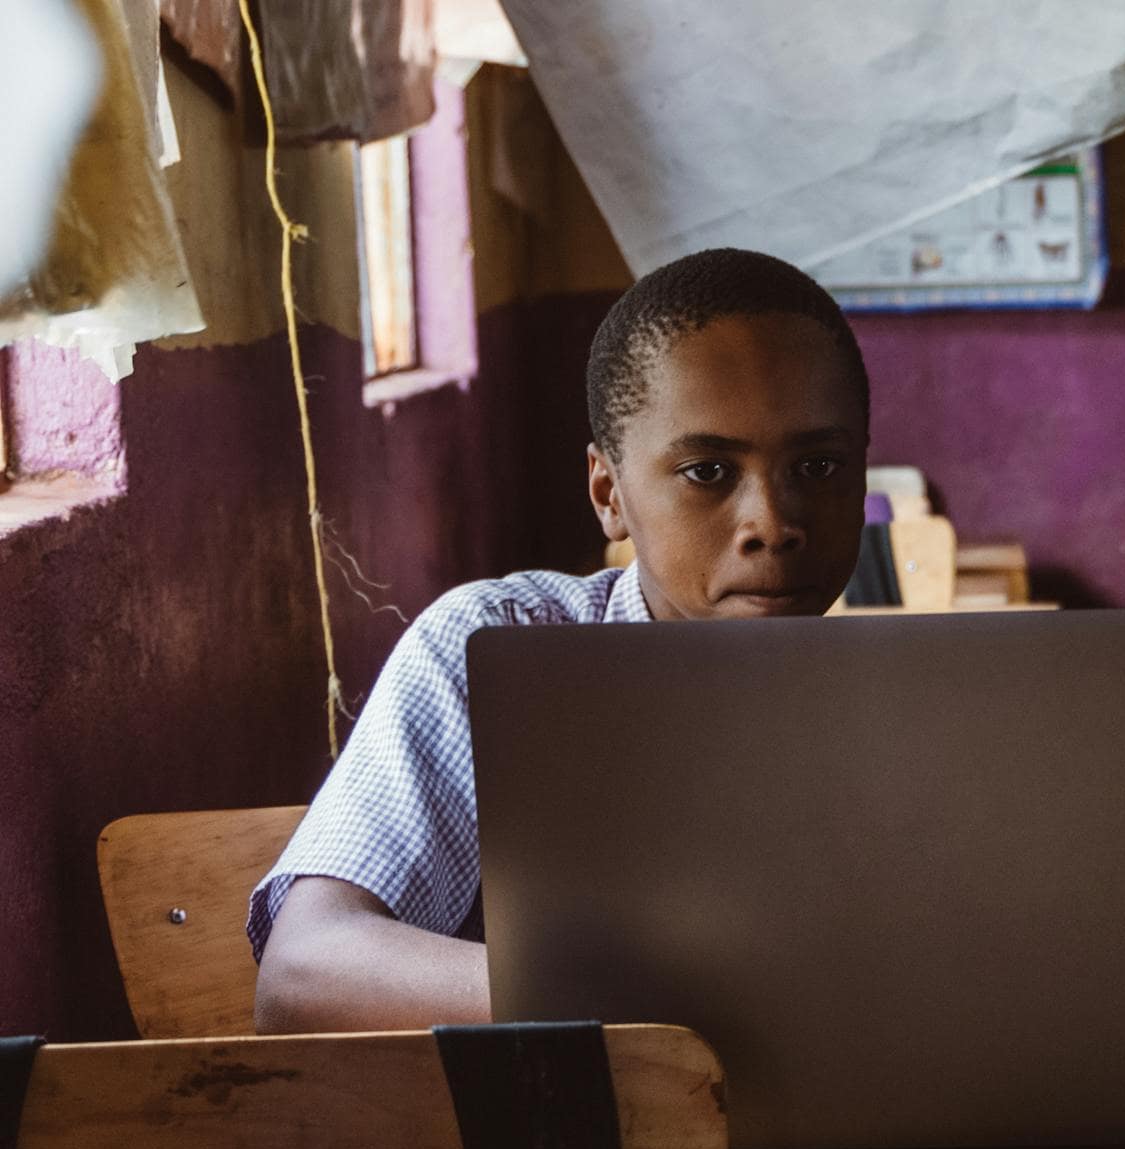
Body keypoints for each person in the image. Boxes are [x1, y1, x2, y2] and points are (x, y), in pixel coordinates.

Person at [248, 248, 871, 1032]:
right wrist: (657, 1008)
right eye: (709, 470)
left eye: (818, 465)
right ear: (609, 493)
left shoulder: (924, 709)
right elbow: (306, 972)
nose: (774, 525)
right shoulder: (493, 651)